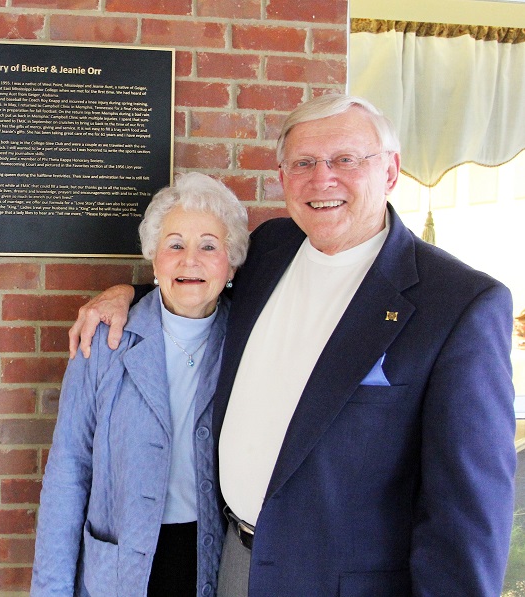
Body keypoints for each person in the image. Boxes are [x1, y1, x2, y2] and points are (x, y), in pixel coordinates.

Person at [68, 94, 516, 596]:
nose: (322, 179)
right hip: (232, 562)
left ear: (390, 171)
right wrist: (127, 294)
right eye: (303, 162)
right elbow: (199, 282)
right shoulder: (272, 249)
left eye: (346, 159)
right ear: (283, 177)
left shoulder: (458, 305)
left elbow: (467, 514)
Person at [32, 173, 250, 597]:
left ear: (231, 263)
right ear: (154, 258)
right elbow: (68, 471)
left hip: (216, 563)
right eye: (175, 245)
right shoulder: (105, 338)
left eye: (209, 245)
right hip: (120, 568)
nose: (191, 260)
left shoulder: (248, 339)